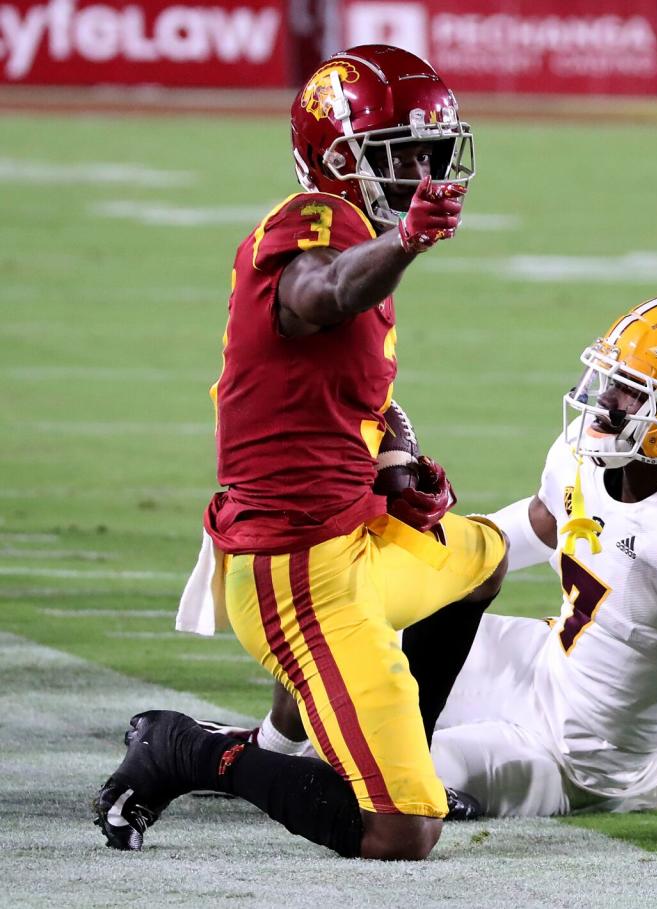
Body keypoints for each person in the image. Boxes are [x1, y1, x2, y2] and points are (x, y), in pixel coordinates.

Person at [221, 293, 657, 841]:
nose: (605, 399)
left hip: (585, 757)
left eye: (635, 392)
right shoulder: (584, 455)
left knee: (379, 779)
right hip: (537, 668)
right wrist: (412, 537)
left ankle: (196, 755)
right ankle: (265, 748)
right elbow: (521, 533)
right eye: (613, 378)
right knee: (352, 633)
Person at [93, 44, 508, 862]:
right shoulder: (311, 221)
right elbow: (322, 292)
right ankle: (186, 748)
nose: (424, 170)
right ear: (341, 157)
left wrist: (398, 457)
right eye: (404, 152)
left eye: (433, 150)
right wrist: (409, 244)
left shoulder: (359, 237)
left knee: (483, 558)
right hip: (297, 571)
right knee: (401, 831)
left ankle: (344, 754)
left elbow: (350, 389)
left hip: (354, 536)